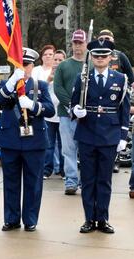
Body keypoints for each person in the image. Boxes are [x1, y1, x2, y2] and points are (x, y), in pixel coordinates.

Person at [71, 40, 130, 234]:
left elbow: (123, 109)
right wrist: (76, 111)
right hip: (87, 134)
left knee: (104, 180)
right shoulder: (83, 78)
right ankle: (89, 219)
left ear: (111, 57)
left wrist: (123, 135)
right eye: (96, 55)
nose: (100, 59)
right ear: (92, 57)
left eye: (104, 56)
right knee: (88, 179)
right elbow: (73, 104)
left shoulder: (120, 79)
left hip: (109, 136)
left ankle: (102, 219)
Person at [0, 48, 55, 232]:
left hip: (34, 140)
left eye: (27, 65)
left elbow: (50, 110)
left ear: (32, 66)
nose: (24, 68)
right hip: (11, 140)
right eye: (19, 65)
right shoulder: (7, 84)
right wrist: (12, 82)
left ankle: (30, 219)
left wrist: (33, 105)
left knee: (33, 182)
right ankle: (11, 219)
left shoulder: (40, 86)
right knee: (11, 181)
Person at [54, 29, 87, 195]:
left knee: (86, 149)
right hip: (66, 114)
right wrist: (71, 105)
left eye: (80, 43)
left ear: (86, 43)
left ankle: (85, 181)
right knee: (68, 150)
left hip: (87, 116)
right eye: (75, 42)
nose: (77, 46)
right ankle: (71, 182)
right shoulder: (63, 65)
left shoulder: (91, 65)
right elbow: (57, 87)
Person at [97, 29, 134, 174]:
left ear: (113, 40)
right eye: (102, 37)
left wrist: (120, 88)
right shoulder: (94, 55)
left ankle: (115, 160)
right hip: (99, 99)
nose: (106, 39)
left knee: (117, 129)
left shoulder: (120, 55)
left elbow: (130, 77)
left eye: (108, 37)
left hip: (117, 99)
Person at [44, 49, 66, 179]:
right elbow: (40, 92)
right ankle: (47, 170)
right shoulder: (47, 74)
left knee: (63, 145)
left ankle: (63, 171)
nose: (57, 62)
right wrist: (49, 78)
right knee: (49, 145)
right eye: (55, 60)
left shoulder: (66, 74)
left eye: (60, 60)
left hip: (63, 116)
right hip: (49, 117)